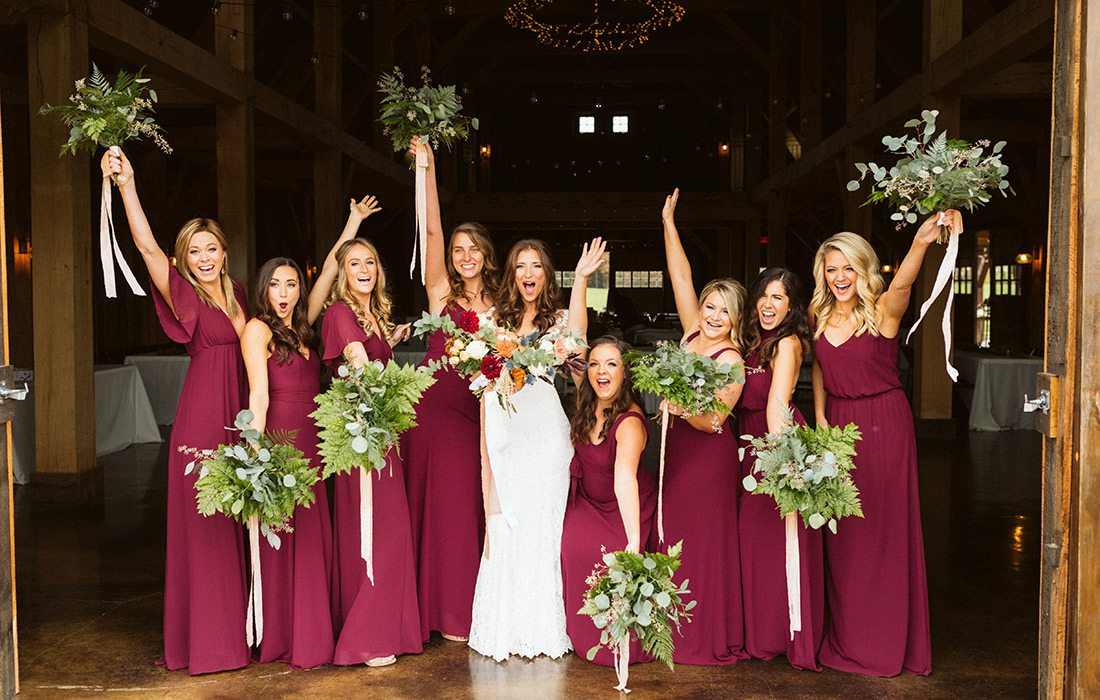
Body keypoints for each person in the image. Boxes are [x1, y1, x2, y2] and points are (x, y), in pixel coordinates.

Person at [102, 148, 250, 674]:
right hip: (205, 415)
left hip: (243, 416)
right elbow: (145, 245)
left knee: (240, 520)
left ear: (224, 252)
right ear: (184, 260)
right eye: (193, 252)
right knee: (207, 524)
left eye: (210, 248)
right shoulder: (184, 291)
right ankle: (208, 644)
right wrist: (128, 185)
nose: (203, 257)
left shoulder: (237, 292)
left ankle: (241, 632)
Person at [238, 195, 382, 669]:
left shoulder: (304, 328)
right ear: (263, 289)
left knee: (312, 540)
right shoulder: (258, 330)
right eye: (276, 285)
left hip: (315, 443)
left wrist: (352, 223)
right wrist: (254, 455)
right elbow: (258, 396)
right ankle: (284, 638)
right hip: (280, 439)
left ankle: (314, 636)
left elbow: (328, 276)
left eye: (291, 284)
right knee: (285, 539)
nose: (285, 292)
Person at [809, 213, 954, 677]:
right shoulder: (818, 313)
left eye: (848, 267)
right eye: (832, 268)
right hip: (839, 427)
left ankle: (886, 644)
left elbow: (905, 284)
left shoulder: (882, 310)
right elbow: (819, 370)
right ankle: (850, 638)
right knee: (844, 538)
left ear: (863, 268)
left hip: (884, 425)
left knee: (883, 534)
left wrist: (919, 242)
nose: (840, 277)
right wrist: (819, 421)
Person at [467, 237, 606, 662]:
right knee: (507, 525)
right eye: (520, 266)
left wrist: (582, 280)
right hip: (506, 433)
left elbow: (579, 345)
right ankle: (505, 628)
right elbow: (483, 391)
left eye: (536, 267)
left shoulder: (559, 319)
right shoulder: (490, 321)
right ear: (512, 275)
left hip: (546, 436)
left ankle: (542, 627)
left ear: (547, 275)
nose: (528, 274)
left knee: (544, 530)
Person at [402, 137, 498, 643]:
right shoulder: (440, 292)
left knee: (464, 509)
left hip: (476, 414)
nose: (463, 256)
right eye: (457, 250)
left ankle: (461, 609)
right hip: (431, 410)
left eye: (472, 249)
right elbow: (431, 229)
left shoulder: (500, 303)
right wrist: (427, 168)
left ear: (485, 256)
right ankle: (422, 612)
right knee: (426, 510)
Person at [658, 188, 748, 665]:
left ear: (736, 318)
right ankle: (668, 631)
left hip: (707, 458)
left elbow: (714, 420)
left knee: (704, 543)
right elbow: (680, 274)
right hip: (675, 453)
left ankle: (705, 637)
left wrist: (678, 408)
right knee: (674, 535)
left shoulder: (731, 357)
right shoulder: (693, 332)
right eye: (709, 306)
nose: (712, 316)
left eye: (722, 311)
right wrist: (669, 222)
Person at [320, 237, 418, 667]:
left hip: (382, 433)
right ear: (342, 272)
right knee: (374, 531)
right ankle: (366, 637)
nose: (364, 269)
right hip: (362, 437)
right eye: (354, 263)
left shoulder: (372, 315)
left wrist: (390, 338)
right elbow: (359, 366)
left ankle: (388, 628)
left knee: (390, 531)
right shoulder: (340, 312)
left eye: (371, 262)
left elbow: (371, 355)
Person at [737, 267, 824, 670]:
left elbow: (776, 405)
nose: (768, 305)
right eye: (764, 296)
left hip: (774, 443)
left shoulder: (787, 343)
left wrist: (782, 465)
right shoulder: (755, 342)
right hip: (750, 443)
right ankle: (761, 635)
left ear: (791, 306)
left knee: (779, 544)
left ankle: (786, 638)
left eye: (779, 298)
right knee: (755, 547)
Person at [560, 336, 656, 666]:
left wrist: (633, 541)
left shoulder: (628, 421)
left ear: (625, 373)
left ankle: (615, 639)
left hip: (625, 507)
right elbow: (576, 335)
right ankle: (578, 634)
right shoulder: (587, 403)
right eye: (596, 363)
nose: (602, 371)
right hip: (588, 501)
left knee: (611, 559)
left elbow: (624, 479)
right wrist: (582, 281)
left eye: (612, 364)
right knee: (570, 544)